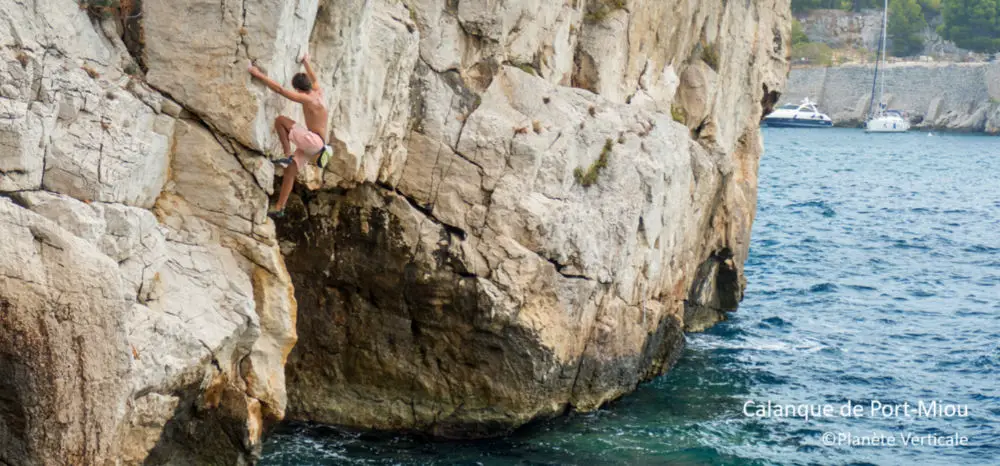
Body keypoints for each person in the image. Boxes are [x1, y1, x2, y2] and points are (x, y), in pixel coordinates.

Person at [248, 52, 332, 219]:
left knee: (280, 120)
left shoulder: (306, 99)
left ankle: (287, 154)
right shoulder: (318, 93)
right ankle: (280, 207)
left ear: (298, 89)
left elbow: (280, 90)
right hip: (319, 145)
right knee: (290, 172)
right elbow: (314, 78)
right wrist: (306, 62)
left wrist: (257, 74)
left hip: (312, 141)